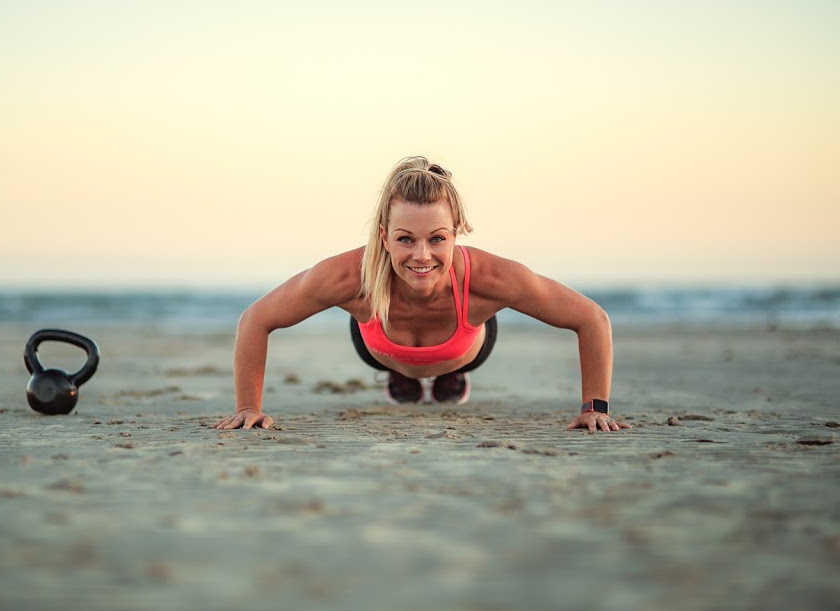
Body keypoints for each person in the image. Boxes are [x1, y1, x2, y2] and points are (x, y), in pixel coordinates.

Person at [214, 156, 629, 434]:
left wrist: (596, 407)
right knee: (394, 352)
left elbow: (591, 318)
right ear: (383, 237)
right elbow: (257, 319)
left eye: (437, 238)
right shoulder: (347, 278)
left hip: (467, 344)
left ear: (457, 233)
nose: (422, 255)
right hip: (379, 344)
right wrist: (248, 407)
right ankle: (400, 374)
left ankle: (450, 374)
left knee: (450, 364)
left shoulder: (492, 279)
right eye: (405, 239)